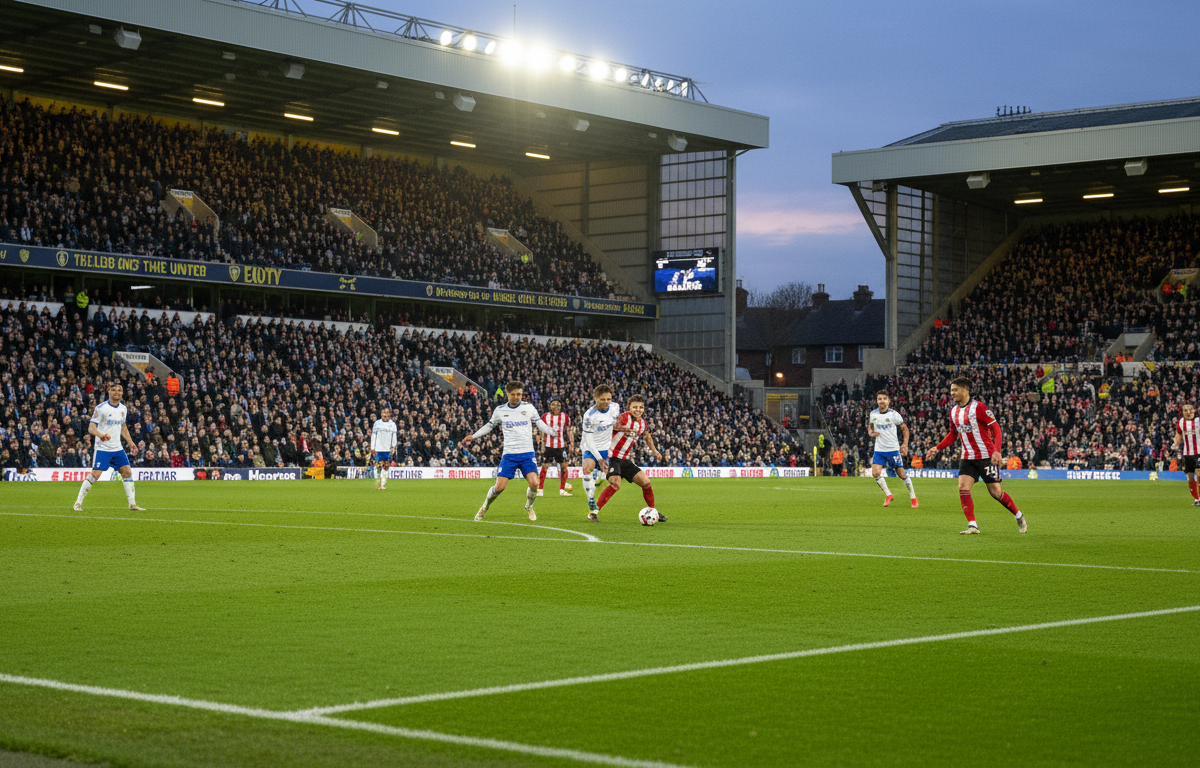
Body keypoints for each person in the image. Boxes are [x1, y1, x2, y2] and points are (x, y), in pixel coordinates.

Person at [924, 376, 1026, 535]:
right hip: (967, 458)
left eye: (955, 390)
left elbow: (996, 429)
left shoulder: (979, 408)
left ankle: (1018, 515)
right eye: (951, 390)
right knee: (963, 488)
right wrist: (937, 448)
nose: (952, 393)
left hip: (986, 456)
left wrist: (997, 450)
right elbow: (953, 434)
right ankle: (972, 525)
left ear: (966, 390)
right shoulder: (953, 411)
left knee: (996, 493)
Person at [462, 381, 555, 522]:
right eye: (513, 394)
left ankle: (529, 507)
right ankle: (485, 506)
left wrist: (551, 431)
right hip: (509, 455)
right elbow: (489, 426)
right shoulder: (500, 410)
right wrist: (473, 436)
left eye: (519, 394)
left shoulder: (529, 408)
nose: (517, 397)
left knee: (534, 483)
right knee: (499, 487)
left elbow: (539, 423)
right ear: (507, 394)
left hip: (527, 454)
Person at [74, 381, 144, 511]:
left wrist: (130, 442)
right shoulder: (101, 408)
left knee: (127, 472)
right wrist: (100, 435)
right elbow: (91, 427)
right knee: (95, 475)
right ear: (109, 391)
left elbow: (123, 427)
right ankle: (78, 503)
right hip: (103, 448)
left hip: (117, 448)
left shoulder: (123, 409)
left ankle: (132, 504)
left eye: (120, 390)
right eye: (114, 390)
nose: (117, 392)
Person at [595, 395, 665, 521]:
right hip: (612, 457)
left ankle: (652, 510)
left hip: (625, 460)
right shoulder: (623, 417)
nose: (638, 409)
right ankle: (594, 512)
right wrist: (623, 428)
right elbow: (609, 426)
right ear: (629, 407)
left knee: (646, 482)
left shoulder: (642, 423)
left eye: (640, 407)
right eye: (634, 407)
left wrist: (655, 451)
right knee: (616, 484)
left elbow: (647, 436)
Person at [867, 391, 918, 507]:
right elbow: (870, 426)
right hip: (879, 450)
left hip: (893, 450)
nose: (882, 401)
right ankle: (888, 495)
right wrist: (871, 432)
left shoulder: (894, 415)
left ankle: (913, 496)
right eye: (879, 399)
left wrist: (904, 445)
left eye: (884, 398)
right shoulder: (873, 414)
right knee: (875, 473)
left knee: (902, 475)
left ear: (889, 401)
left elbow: (905, 429)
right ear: (877, 401)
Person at [578, 384, 622, 518]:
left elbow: (616, 425)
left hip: (608, 448)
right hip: (592, 448)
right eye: (603, 399)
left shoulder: (615, 407)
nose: (606, 402)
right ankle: (590, 498)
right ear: (595, 398)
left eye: (608, 399)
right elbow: (589, 440)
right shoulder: (589, 415)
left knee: (615, 482)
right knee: (587, 469)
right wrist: (600, 459)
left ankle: (597, 478)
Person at [536, 398, 574, 497]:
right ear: (550, 406)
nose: (555, 407)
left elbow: (568, 430)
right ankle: (540, 489)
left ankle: (562, 490)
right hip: (549, 446)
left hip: (561, 447)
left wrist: (571, 443)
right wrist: (542, 444)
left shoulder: (564, 416)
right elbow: (542, 430)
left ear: (560, 407)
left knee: (564, 468)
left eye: (558, 405)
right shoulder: (545, 416)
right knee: (545, 467)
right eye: (553, 404)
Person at [1172, 402, 1200, 506]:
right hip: (1188, 453)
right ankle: (1196, 499)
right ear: (1183, 412)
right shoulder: (1180, 422)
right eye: (1186, 411)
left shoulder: (1198, 421)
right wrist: (1175, 443)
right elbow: (1178, 434)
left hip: (1199, 452)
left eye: (1190, 410)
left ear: (1194, 411)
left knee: (1199, 472)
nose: (1188, 412)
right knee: (1190, 475)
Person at [370, 406, 398, 490]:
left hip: (387, 449)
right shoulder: (377, 423)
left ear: (389, 414)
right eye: (383, 413)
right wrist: (372, 447)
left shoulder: (392, 424)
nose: (384, 414)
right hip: (378, 448)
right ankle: (378, 483)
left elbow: (394, 436)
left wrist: (394, 446)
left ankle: (383, 484)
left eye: (386, 413)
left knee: (386, 467)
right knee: (378, 466)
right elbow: (373, 436)